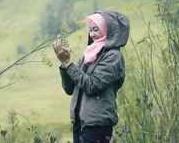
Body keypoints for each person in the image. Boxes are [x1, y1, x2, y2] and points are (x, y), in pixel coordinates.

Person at [53, 11, 129, 143]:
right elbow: (69, 88)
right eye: (90, 30)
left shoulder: (113, 56)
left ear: (107, 30)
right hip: (80, 123)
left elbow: (92, 85)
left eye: (96, 30)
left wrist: (68, 63)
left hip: (97, 125)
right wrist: (64, 65)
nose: (92, 34)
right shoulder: (87, 54)